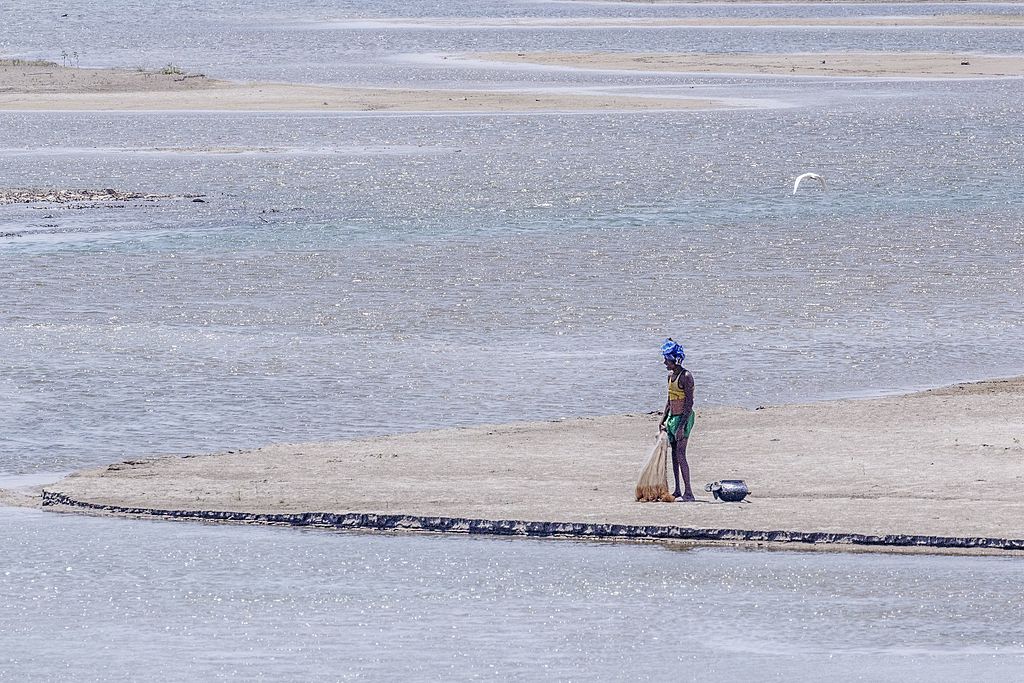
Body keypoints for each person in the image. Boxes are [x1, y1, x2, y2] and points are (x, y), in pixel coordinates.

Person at [659, 338, 695, 501]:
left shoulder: (686, 376)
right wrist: (663, 418)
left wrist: (681, 426)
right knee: (673, 454)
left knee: (681, 453)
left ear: (674, 359)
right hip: (673, 418)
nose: (665, 363)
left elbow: (689, 404)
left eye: (667, 359)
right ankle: (677, 489)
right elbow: (669, 399)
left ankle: (689, 492)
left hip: (684, 419)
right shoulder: (669, 376)